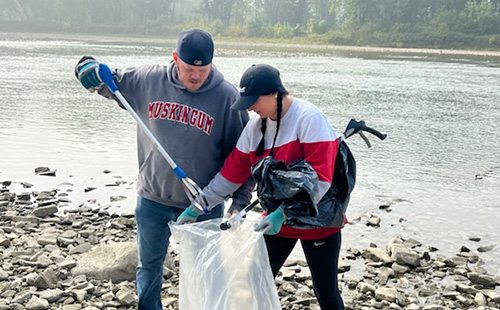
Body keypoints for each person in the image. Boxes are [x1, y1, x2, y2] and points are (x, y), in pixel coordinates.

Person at [74, 28, 253, 310]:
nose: (195, 76)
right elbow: (106, 82)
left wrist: (241, 201)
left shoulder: (227, 98)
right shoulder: (148, 80)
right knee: (149, 266)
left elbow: (242, 158)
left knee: (206, 269)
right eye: (188, 69)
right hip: (152, 198)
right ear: (174, 58)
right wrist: (86, 68)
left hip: (203, 204)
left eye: (203, 70)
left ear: (211, 64)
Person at [177, 64, 345, 309]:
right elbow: (231, 173)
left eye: (254, 101)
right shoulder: (256, 128)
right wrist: (198, 206)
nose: (251, 108)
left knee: (325, 290)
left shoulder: (309, 119)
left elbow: (322, 179)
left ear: (275, 94)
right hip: (276, 224)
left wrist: (284, 213)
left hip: (317, 221)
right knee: (255, 282)